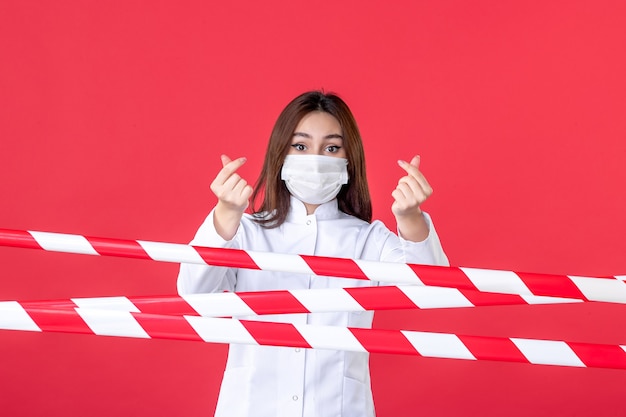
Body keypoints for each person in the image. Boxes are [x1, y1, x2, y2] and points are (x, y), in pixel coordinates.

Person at [177, 90, 449, 417]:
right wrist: (224, 215)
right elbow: (193, 294)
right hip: (252, 406)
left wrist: (411, 219)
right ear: (281, 155)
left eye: (331, 148)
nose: (316, 159)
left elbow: (434, 289)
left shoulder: (369, 240)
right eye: (301, 146)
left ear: (350, 161)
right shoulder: (245, 232)